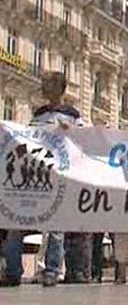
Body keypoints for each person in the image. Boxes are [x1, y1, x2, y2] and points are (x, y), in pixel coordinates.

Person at [1, 72, 90, 287]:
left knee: (55, 226)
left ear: (59, 89)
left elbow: (86, 138)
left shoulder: (72, 115)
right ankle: (13, 271)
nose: (42, 87)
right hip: (32, 178)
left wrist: (72, 132)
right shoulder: (38, 114)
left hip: (57, 177)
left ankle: (52, 270)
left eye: (47, 84)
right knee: (16, 224)